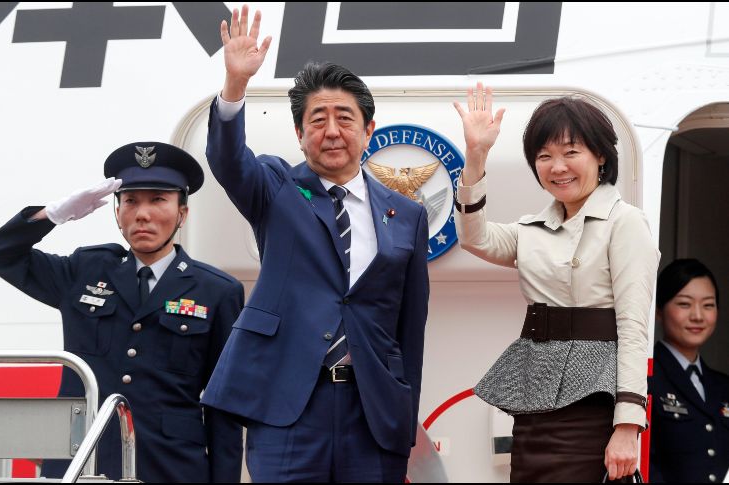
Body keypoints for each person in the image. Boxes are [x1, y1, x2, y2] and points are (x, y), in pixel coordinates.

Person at [200, 5, 430, 483]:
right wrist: (235, 85)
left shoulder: (405, 214)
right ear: (300, 134)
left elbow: (410, 327)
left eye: (344, 118)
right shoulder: (277, 187)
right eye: (317, 119)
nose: (331, 130)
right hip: (289, 404)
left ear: (369, 130)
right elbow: (227, 160)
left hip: (372, 413)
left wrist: (402, 419)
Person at [0, 142, 244, 482]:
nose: (142, 214)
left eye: (158, 200)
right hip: (84, 463)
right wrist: (52, 216)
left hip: (170, 467)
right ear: (116, 210)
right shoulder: (84, 271)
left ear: (183, 212)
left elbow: (224, 405)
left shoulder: (216, 291)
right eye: (131, 201)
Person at [453, 84, 660, 482]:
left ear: (600, 155)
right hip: (536, 402)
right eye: (544, 156)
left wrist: (628, 426)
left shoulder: (625, 222)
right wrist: (477, 155)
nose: (557, 167)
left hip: (593, 406)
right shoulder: (532, 229)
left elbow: (634, 328)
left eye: (570, 152)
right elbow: (473, 237)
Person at [648, 258, 729, 483]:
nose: (698, 316)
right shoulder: (646, 378)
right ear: (658, 311)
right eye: (684, 304)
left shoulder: (724, 387)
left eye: (708, 305)